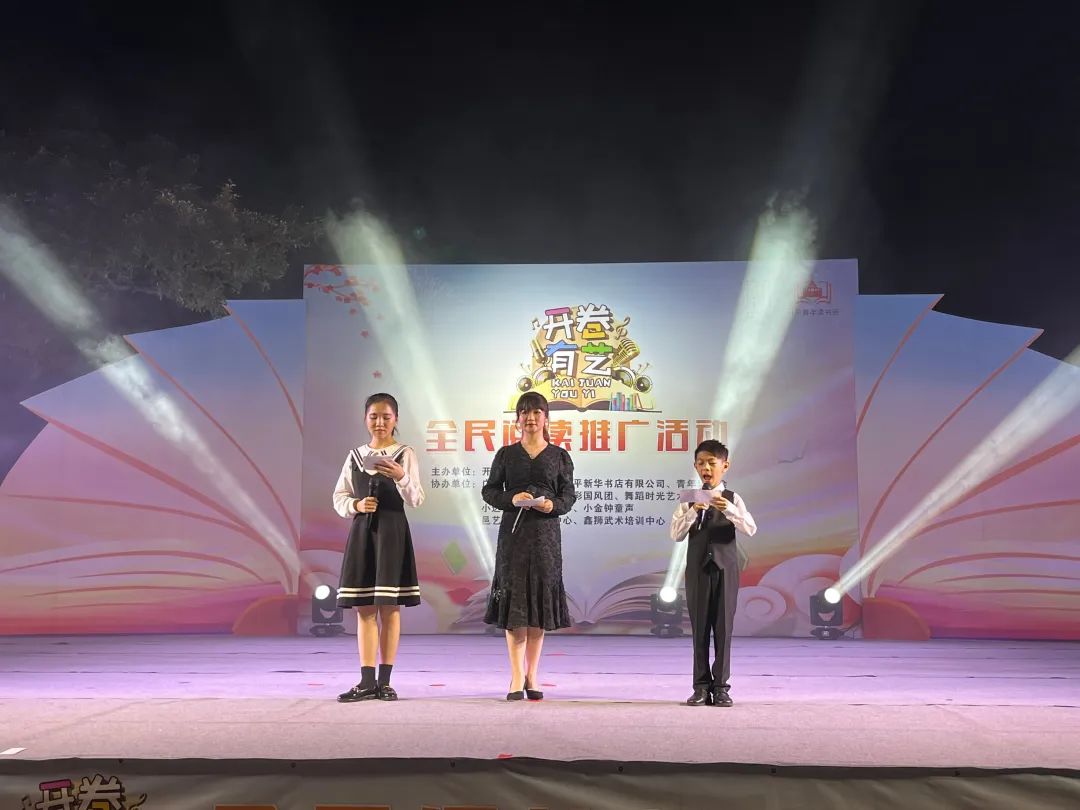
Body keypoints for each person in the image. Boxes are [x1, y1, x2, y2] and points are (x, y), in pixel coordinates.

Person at [482, 392, 576, 701]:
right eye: (525, 412)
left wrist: (552, 505)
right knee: (515, 606)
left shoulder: (559, 456)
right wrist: (511, 498)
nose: (530, 418)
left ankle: (532, 675)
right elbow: (489, 491)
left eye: (536, 412)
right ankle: (515, 676)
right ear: (517, 419)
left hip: (545, 537)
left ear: (546, 418)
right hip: (513, 537)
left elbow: (568, 496)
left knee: (538, 606)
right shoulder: (506, 455)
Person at [332, 393, 425, 702]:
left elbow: (416, 499)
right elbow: (339, 497)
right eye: (374, 416)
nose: (380, 422)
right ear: (365, 419)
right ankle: (366, 681)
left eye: (386, 416)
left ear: (395, 419)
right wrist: (357, 505)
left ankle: (385, 681)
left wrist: (401, 477)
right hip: (364, 533)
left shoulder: (404, 454)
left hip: (392, 534)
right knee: (365, 609)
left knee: (390, 608)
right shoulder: (355, 456)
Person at [669, 440, 757, 707]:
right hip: (698, 571)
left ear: (724, 466)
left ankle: (721, 688)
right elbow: (675, 534)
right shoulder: (689, 498)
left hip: (725, 571)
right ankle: (700, 687)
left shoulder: (733, 498)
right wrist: (693, 511)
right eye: (701, 463)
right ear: (695, 467)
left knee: (723, 629)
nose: (706, 468)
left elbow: (750, 528)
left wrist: (727, 509)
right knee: (699, 630)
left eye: (711, 463)